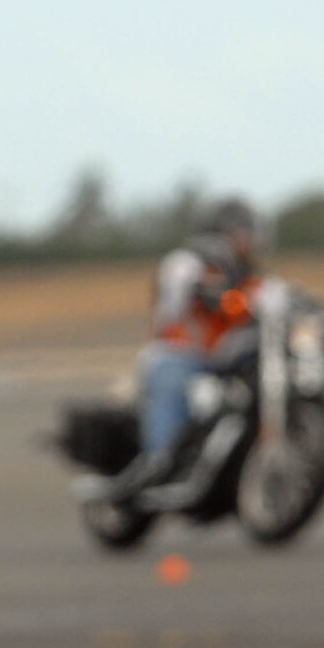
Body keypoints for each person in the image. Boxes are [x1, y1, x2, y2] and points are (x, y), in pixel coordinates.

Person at [105, 198, 260, 497]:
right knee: (172, 379)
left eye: (251, 232)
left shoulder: (247, 275)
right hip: (177, 352)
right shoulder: (187, 262)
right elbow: (176, 291)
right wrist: (206, 288)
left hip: (224, 360)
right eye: (242, 232)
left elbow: (276, 298)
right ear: (222, 232)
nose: (249, 240)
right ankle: (158, 460)